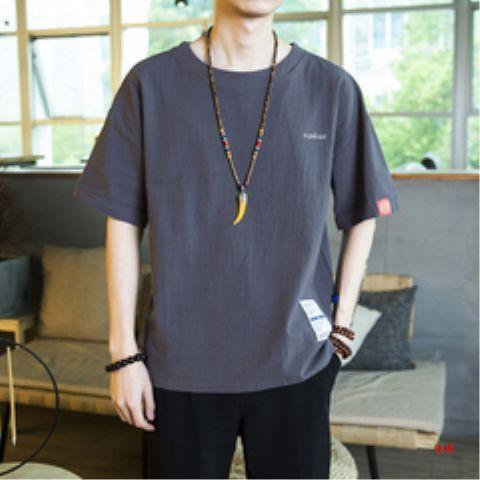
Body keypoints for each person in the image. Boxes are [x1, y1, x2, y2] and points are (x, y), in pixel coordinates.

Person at [73, 1, 400, 478]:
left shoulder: (331, 88)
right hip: (181, 368)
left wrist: (343, 323)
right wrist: (123, 355)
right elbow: (122, 220)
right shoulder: (150, 84)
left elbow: (364, 209)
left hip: (297, 364)